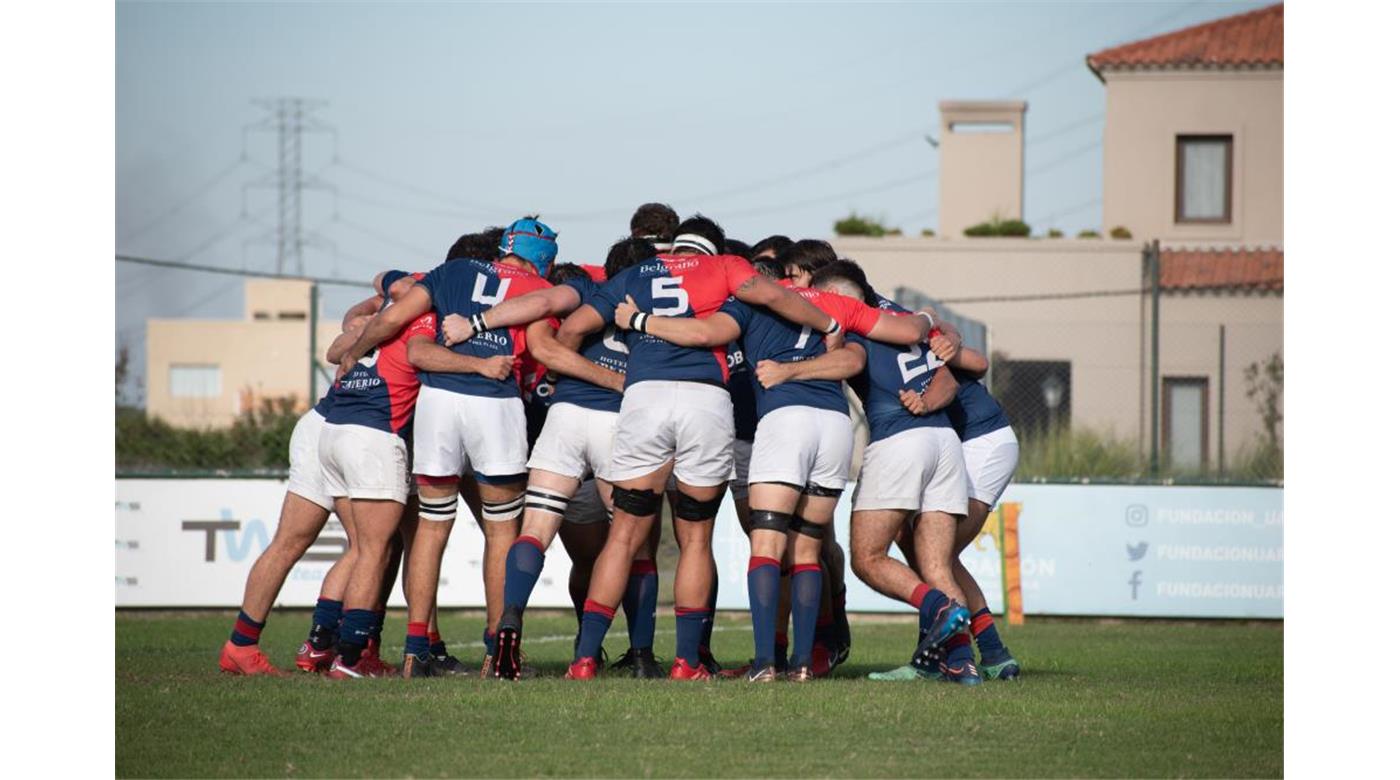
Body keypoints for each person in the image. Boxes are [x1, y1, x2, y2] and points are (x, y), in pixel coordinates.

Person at [554, 214, 842, 680]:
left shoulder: (633, 274)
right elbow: (771, 294)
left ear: (674, 250)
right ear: (711, 249)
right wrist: (827, 321)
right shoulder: (727, 267)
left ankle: (584, 659)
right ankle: (688, 661)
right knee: (695, 539)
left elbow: (571, 330)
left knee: (625, 534)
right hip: (705, 401)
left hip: (643, 398)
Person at [615, 260, 933, 681]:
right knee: (806, 550)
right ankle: (802, 664)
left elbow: (706, 334)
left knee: (767, 545)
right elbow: (910, 331)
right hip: (835, 427)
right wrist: (934, 321)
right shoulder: (837, 303)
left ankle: (766, 662)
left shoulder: (750, 302)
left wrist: (639, 320)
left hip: (786, 421)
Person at [336, 217, 557, 677]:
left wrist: (356, 348)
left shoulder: (450, 271)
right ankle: (498, 653)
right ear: (544, 258)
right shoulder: (537, 289)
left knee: (432, 528)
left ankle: (416, 648)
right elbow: (539, 351)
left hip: (437, 401)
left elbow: (393, 317)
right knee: (501, 532)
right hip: (495, 401)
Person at [807, 260, 979, 685]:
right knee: (936, 564)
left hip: (900, 443)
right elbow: (955, 378)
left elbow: (846, 363)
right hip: (944, 444)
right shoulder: (909, 326)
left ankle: (937, 607)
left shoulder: (862, 331)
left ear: (845, 300)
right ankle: (961, 663)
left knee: (868, 559)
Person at [316, 269, 440, 678]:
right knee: (374, 551)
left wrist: (365, 317)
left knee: (357, 549)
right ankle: (351, 657)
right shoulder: (423, 318)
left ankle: (320, 645)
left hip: (334, 431)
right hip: (374, 435)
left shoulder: (377, 320)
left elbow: (336, 349)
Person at [895, 325, 1022, 681]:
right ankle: (992, 652)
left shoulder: (899, 325)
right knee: (928, 550)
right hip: (967, 445)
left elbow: (976, 361)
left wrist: (949, 338)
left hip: (982, 442)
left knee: (934, 553)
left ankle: (943, 657)